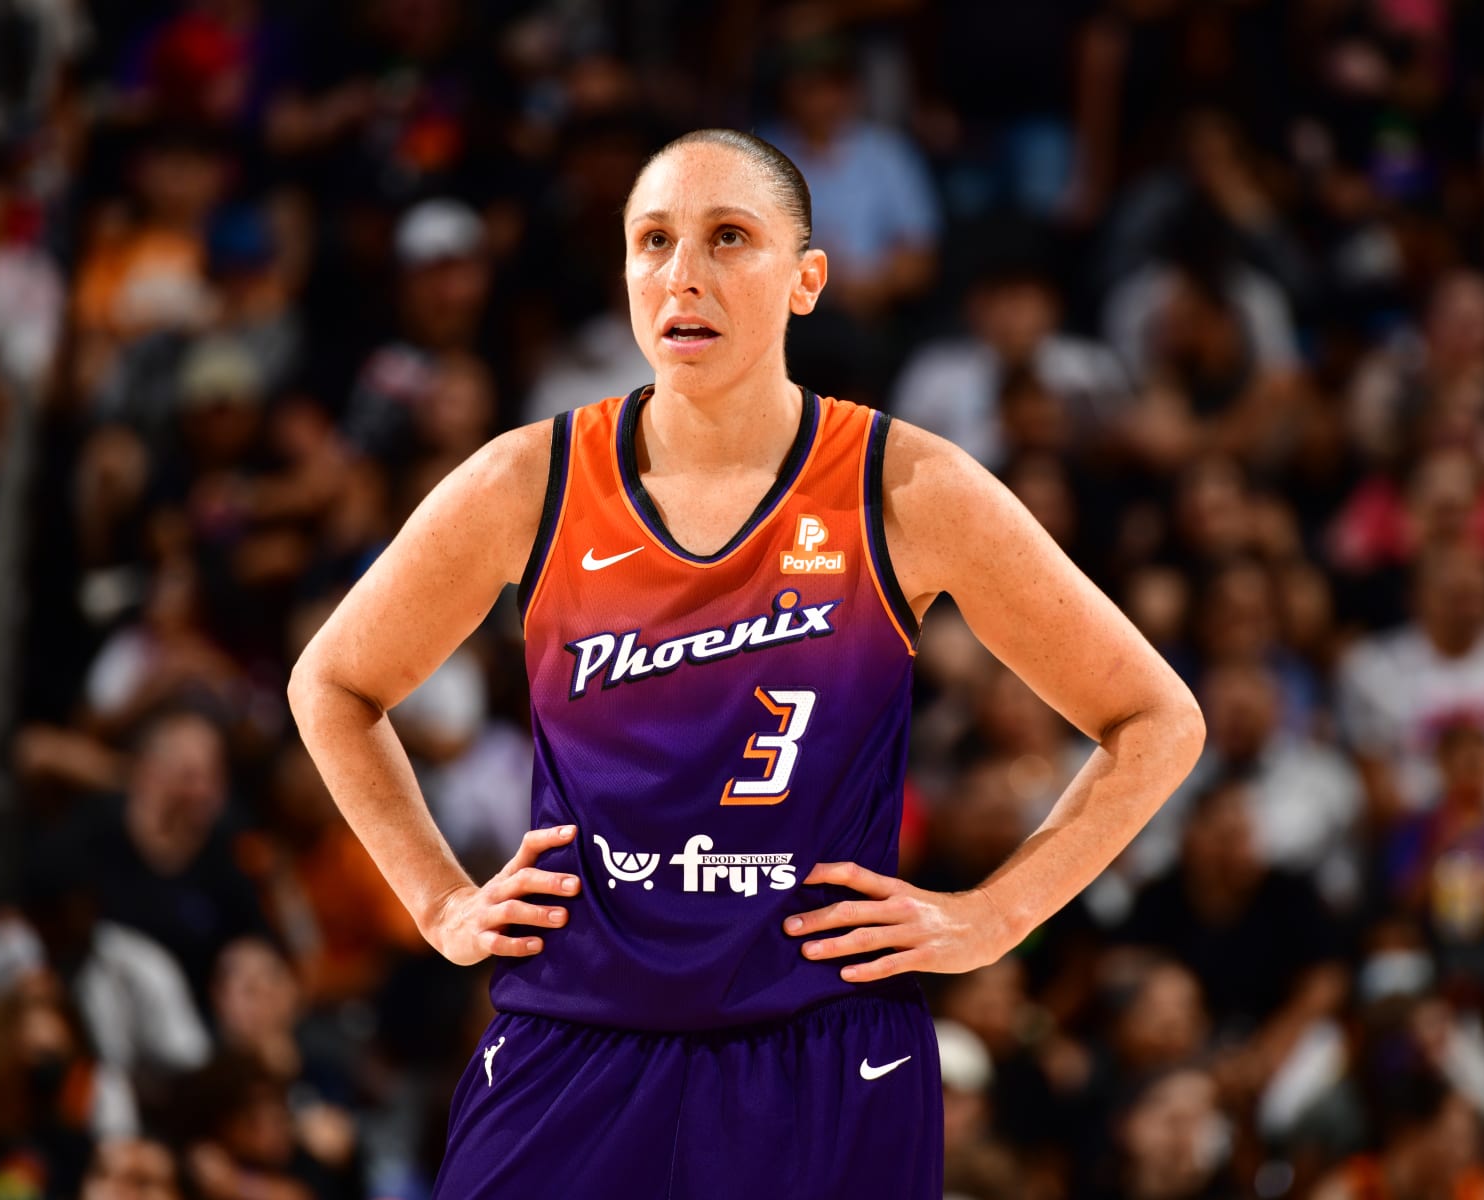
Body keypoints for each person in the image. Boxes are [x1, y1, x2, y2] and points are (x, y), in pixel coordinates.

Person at [288, 127, 1204, 1197]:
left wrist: (992, 915)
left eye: (730, 239)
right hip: (574, 1035)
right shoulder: (525, 482)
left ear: (807, 278)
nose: (685, 275)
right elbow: (334, 683)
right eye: (654, 242)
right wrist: (439, 901)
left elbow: (1156, 719)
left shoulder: (903, 487)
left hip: (823, 1048)